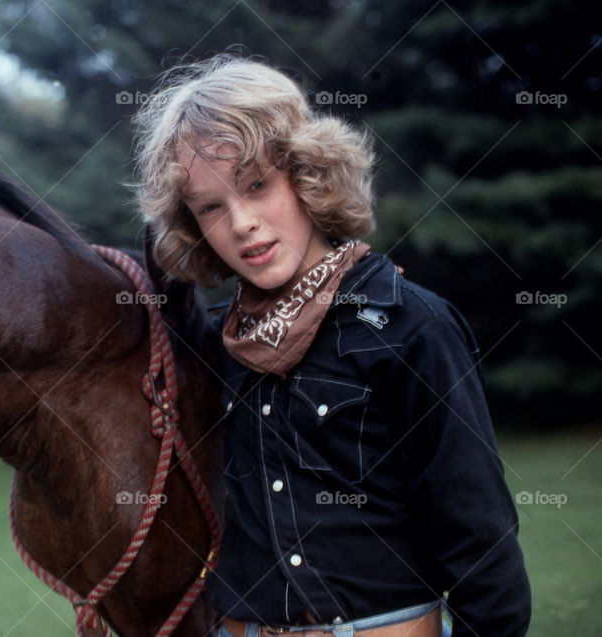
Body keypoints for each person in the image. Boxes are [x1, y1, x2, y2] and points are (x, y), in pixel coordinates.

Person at [132, 55, 530, 637]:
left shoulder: (411, 326)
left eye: (256, 185)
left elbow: (479, 534)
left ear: (307, 172)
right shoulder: (209, 347)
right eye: (211, 206)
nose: (241, 222)